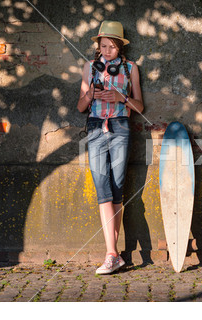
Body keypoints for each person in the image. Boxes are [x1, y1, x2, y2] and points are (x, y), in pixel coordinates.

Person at [77, 21, 144, 274]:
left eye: (112, 46)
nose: (107, 50)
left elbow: (140, 107)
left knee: (116, 189)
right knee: (102, 187)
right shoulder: (89, 67)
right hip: (95, 128)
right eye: (103, 46)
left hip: (120, 128)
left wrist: (121, 97)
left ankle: (113, 255)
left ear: (120, 48)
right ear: (98, 46)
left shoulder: (130, 68)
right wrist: (90, 94)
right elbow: (81, 107)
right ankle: (112, 253)